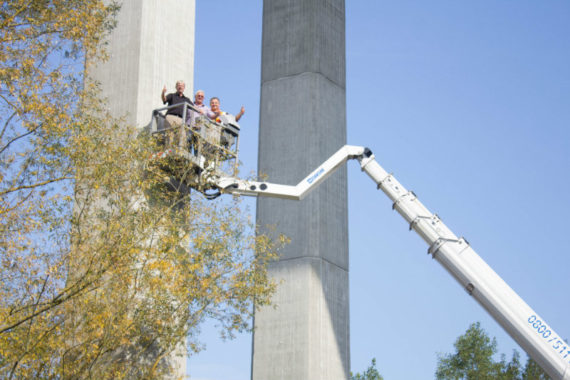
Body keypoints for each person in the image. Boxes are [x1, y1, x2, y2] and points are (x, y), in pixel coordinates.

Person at [160, 80, 192, 149]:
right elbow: (164, 99)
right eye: (179, 85)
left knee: (182, 138)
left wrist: (201, 110)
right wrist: (163, 92)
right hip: (171, 117)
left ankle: (179, 154)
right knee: (170, 136)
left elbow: (193, 107)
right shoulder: (172, 95)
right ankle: (169, 151)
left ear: (184, 88)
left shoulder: (186, 99)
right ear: (176, 87)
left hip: (181, 120)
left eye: (182, 86)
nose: (180, 87)